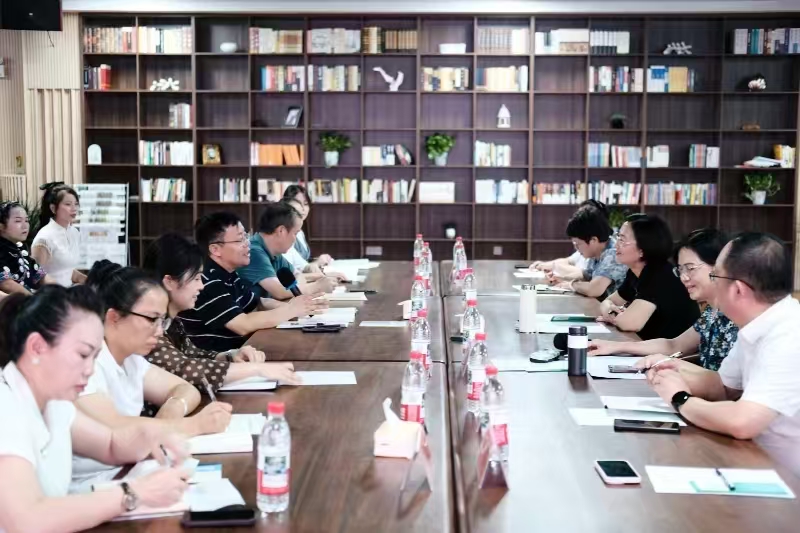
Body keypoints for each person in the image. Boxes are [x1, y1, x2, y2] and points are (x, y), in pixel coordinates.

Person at [0, 286, 190, 533]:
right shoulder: (6, 405)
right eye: (82, 355)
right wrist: (133, 493)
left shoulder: (53, 401)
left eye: (94, 357)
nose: (90, 370)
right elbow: (26, 521)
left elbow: (110, 444)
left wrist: (154, 435)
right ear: (37, 347)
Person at [643, 233, 800, 476]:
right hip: (753, 459)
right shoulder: (756, 323)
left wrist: (681, 399)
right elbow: (723, 386)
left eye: (715, 276)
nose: (712, 282)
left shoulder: (788, 335)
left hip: (785, 479)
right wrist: (672, 371)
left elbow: (742, 422)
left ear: (737, 290)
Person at [72, 260, 234, 489]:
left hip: (128, 472)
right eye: (151, 319)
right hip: (88, 489)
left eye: (162, 320)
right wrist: (196, 424)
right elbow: (118, 429)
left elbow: (185, 389)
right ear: (114, 317)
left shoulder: (131, 359)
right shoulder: (86, 363)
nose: (159, 331)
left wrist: (172, 410)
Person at [142, 233, 301, 392]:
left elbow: (192, 354)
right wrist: (256, 370)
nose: (201, 286)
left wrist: (231, 355)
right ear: (169, 282)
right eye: (196, 279)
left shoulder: (172, 322)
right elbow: (185, 368)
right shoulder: (148, 326)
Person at [590, 228, 737, 371]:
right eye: (681, 269)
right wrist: (614, 346)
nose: (684, 277)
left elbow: (730, 382)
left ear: (719, 266)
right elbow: (674, 345)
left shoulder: (736, 315)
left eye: (690, 268)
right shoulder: (712, 312)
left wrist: (675, 366)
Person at [179, 212, 325, 352]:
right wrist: (290, 310)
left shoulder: (229, 273)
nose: (247, 243)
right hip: (219, 360)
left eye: (246, 236)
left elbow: (258, 304)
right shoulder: (207, 280)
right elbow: (243, 324)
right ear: (215, 249)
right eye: (240, 240)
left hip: (244, 351)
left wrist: (301, 307)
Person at [597, 213, 699, 340]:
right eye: (618, 237)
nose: (616, 245)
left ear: (642, 249)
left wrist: (611, 314)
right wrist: (612, 312)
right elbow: (607, 302)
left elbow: (629, 323)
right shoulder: (636, 272)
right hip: (649, 344)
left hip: (674, 349)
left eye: (622, 240)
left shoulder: (659, 275)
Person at [237, 202, 336, 300]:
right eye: (295, 233)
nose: (295, 240)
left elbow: (297, 276)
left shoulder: (274, 253)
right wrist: (317, 286)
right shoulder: (253, 251)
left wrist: (318, 279)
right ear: (281, 231)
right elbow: (279, 292)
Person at [546, 204, 627, 299]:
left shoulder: (614, 254)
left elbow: (594, 289)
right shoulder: (597, 252)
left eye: (578, 244)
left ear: (593, 240)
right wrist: (561, 278)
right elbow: (586, 275)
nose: (576, 248)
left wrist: (571, 285)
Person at [530, 200, 608, 276]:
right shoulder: (585, 243)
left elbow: (586, 273)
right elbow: (569, 261)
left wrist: (555, 267)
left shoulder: (607, 252)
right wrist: (544, 265)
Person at [31, 182, 87, 287]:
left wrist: (90, 281)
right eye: (68, 204)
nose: (74, 208)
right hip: (51, 294)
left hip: (69, 291)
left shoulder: (74, 233)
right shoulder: (44, 238)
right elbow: (37, 277)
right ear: (53, 208)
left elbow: (66, 270)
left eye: (76, 204)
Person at [0, 201, 54, 294]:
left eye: (26, 220)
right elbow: (6, 284)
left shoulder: (20, 248)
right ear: (1, 226)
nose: (25, 226)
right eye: (18, 221)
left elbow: (41, 275)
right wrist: (33, 299)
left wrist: (58, 291)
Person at [281, 185, 332, 273]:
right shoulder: (284, 234)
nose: (303, 209)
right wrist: (318, 262)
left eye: (305, 204)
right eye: (298, 203)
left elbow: (303, 262)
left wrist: (318, 260)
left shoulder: (300, 232)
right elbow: (297, 267)